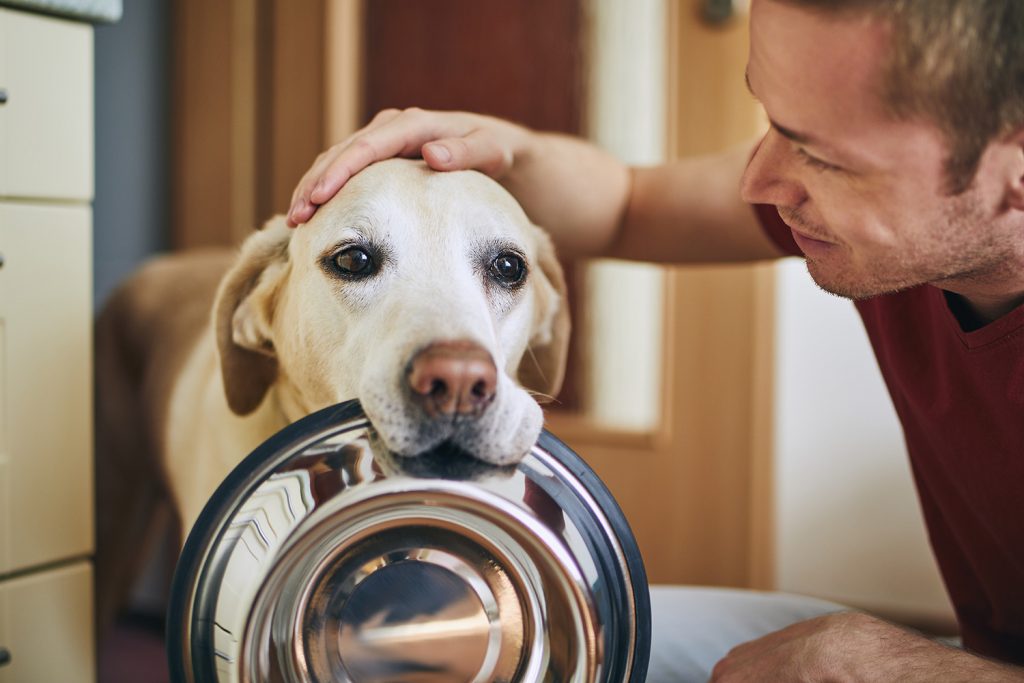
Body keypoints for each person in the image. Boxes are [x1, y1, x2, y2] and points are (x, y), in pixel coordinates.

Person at [287, 0, 1024, 680]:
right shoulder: (878, 219)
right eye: (768, 121)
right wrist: (497, 150)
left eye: (821, 155)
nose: (757, 180)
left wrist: (885, 665)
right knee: (529, 634)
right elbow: (628, 204)